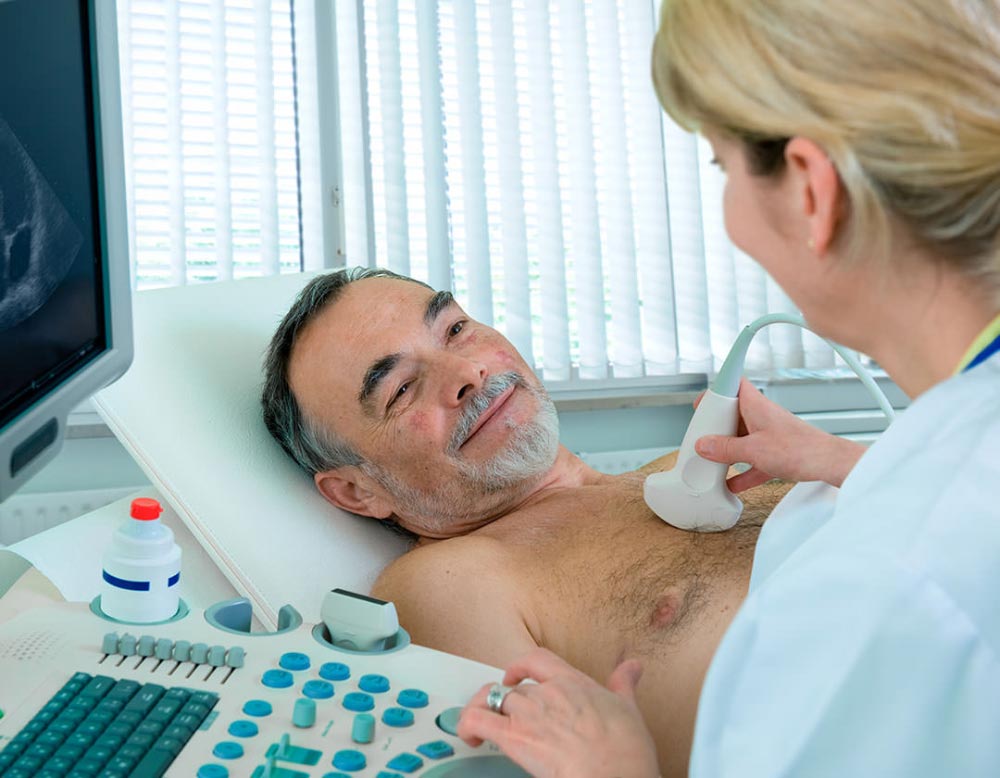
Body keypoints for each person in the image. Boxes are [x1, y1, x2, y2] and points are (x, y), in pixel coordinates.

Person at [458, 0, 1000, 775]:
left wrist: (617, 770)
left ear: (811, 192)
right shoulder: (943, 473)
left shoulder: (881, 597)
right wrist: (864, 465)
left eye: (721, 166)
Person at [261, 266, 799, 777]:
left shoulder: (700, 469)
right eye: (401, 389)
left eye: (455, 329)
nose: (469, 373)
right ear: (359, 491)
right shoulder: (450, 584)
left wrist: (840, 465)